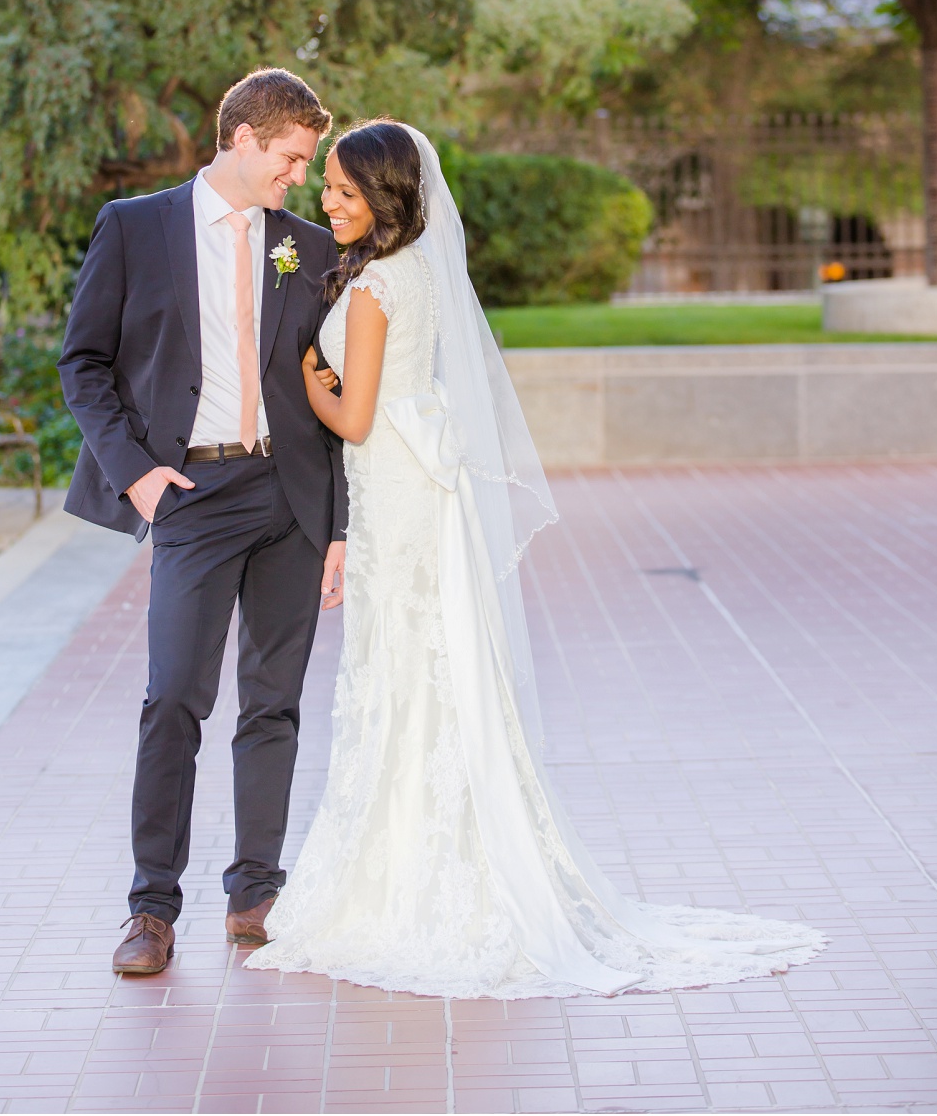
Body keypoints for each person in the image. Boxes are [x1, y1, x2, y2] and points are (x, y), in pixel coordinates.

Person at [247, 120, 826, 999]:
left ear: (388, 199)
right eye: (325, 186)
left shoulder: (374, 291)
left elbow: (355, 419)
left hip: (397, 495)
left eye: (344, 192)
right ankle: (445, 853)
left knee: (401, 673)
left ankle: (407, 879)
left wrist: (305, 379)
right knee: (430, 673)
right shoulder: (417, 277)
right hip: (420, 488)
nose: (327, 204)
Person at [58, 67, 348, 973]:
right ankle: (151, 909)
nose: (299, 178)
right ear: (245, 139)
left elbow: (328, 386)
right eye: (292, 159)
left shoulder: (303, 245)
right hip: (190, 494)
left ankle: (255, 890)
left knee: (275, 701)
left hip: (292, 497)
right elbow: (84, 364)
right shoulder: (134, 228)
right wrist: (137, 476)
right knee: (174, 696)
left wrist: (339, 526)